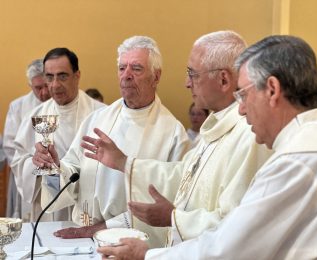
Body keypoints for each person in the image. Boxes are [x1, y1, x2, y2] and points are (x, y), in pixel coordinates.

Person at [97, 35, 317, 260]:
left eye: (244, 94)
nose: (241, 108)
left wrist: (148, 255)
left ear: (272, 89)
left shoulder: (300, 158)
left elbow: (232, 248)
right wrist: (125, 164)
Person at [81, 30, 272, 248]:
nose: (187, 83)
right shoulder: (216, 127)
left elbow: (237, 226)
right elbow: (183, 174)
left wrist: (174, 219)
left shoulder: (249, 135)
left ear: (224, 79)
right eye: (122, 68)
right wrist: (123, 163)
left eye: (193, 73)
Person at [35, 36, 189, 248]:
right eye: (121, 68)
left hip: (129, 244)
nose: (126, 76)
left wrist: (101, 228)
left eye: (136, 68)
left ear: (156, 76)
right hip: (82, 237)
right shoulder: (98, 119)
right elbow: (72, 175)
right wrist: (52, 168)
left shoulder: (172, 133)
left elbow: (165, 203)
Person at [11, 48, 105, 222]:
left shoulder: (101, 114)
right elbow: (18, 160)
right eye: (49, 76)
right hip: (49, 209)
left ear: (77, 76)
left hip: (88, 206)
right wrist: (35, 162)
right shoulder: (35, 116)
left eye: (62, 76)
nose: (54, 85)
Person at [3, 59, 51, 219]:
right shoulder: (18, 107)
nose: (44, 92)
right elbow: (10, 146)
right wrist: (31, 164)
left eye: (46, 85)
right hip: (26, 177)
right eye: (38, 88)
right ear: (30, 85)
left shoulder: (60, 104)